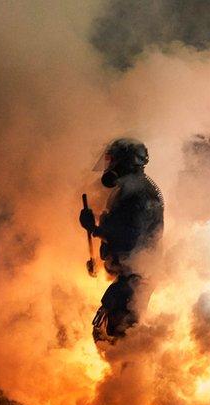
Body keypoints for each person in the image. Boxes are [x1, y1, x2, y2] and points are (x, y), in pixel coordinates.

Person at [79, 138, 163, 343]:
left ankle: (130, 373)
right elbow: (120, 232)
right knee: (108, 333)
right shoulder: (128, 192)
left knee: (121, 339)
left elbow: (131, 236)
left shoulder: (142, 195)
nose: (109, 167)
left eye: (112, 160)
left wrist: (95, 229)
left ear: (124, 163)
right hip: (129, 278)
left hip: (136, 280)